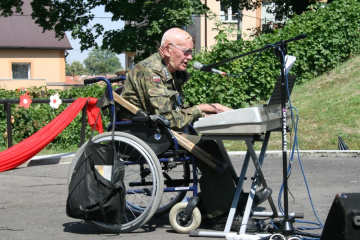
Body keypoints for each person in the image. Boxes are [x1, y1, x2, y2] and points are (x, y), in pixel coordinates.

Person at [120, 28, 272, 231]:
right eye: (186, 52)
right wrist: (202, 109)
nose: (190, 58)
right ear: (166, 49)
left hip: (157, 129)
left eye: (191, 52)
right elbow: (167, 118)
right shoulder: (151, 71)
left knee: (211, 144)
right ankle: (222, 216)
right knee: (208, 152)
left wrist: (207, 115)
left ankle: (233, 201)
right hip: (146, 134)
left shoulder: (168, 70)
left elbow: (171, 112)